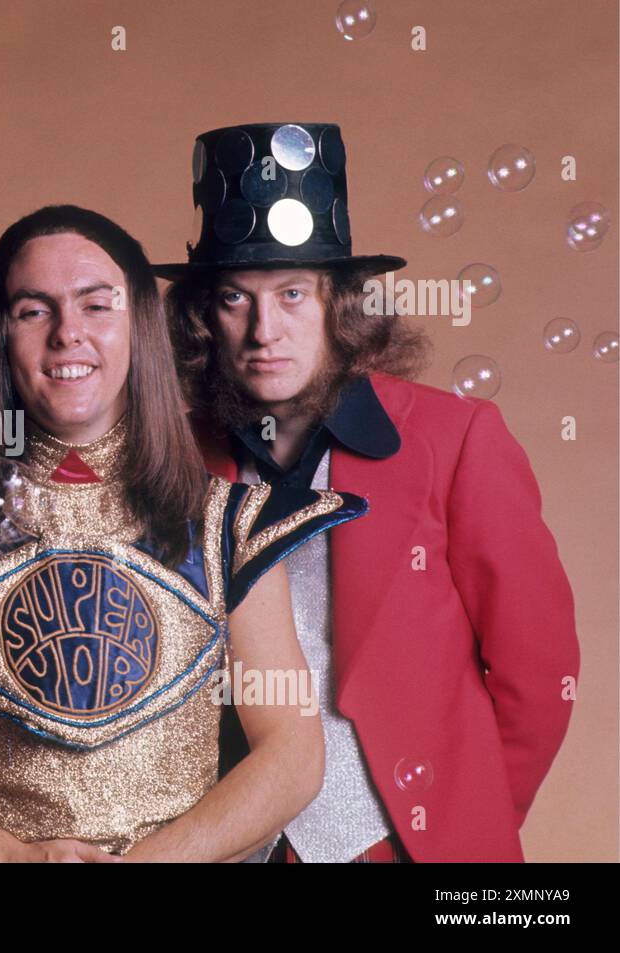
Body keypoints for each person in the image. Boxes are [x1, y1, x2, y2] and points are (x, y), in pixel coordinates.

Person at [0, 205, 368, 861]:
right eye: (34, 310)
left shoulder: (230, 524)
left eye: (97, 306)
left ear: (140, 329)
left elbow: (292, 755)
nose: (68, 333)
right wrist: (8, 858)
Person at [158, 121, 579, 862]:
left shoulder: (456, 438)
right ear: (203, 317)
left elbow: (539, 676)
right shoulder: (174, 457)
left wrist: (463, 825)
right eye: (235, 299)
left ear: (342, 305)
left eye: (293, 294)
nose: (265, 329)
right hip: (229, 844)